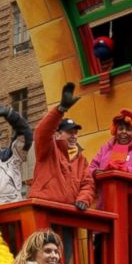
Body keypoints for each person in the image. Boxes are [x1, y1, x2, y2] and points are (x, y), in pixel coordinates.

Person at [29, 84, 96, 212]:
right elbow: (42, 131)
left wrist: (83, 199)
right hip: (44, 210)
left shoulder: (81, 160)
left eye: (75, 133)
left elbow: (88, 184)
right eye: (69, 132)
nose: (74, 136)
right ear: (57, 134)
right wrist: (60, 109)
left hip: (67, 214)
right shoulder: (48, 148)